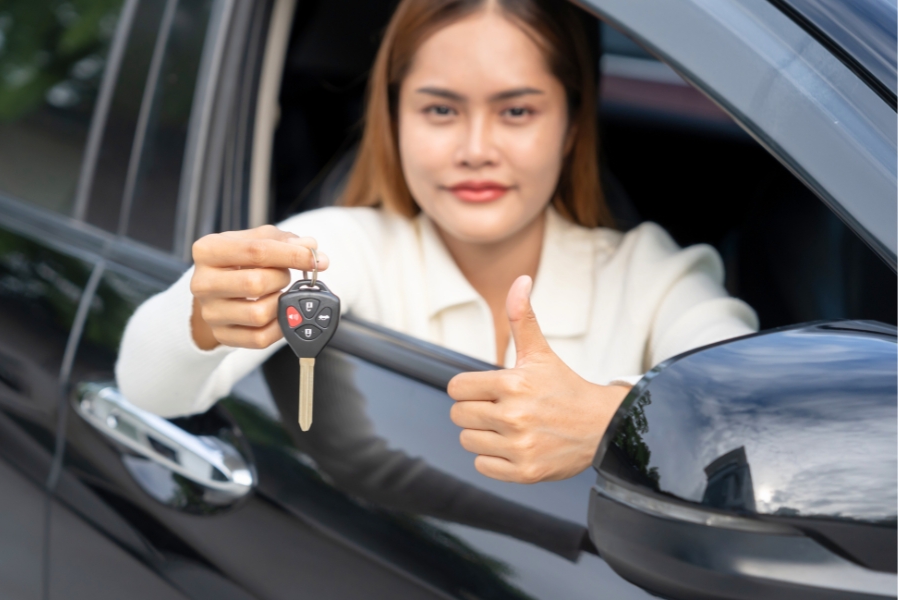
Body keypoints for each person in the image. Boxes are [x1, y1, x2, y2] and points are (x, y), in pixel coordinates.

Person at [117, 0, 757, 485]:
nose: (476, 150)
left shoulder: (652, 275)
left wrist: (614, 422)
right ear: (394, 120)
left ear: (570, 125)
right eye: (440, 110)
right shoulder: (340, 247)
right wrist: (203, 317)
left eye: (516, 112)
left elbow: (753, 412)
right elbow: (148, 389)